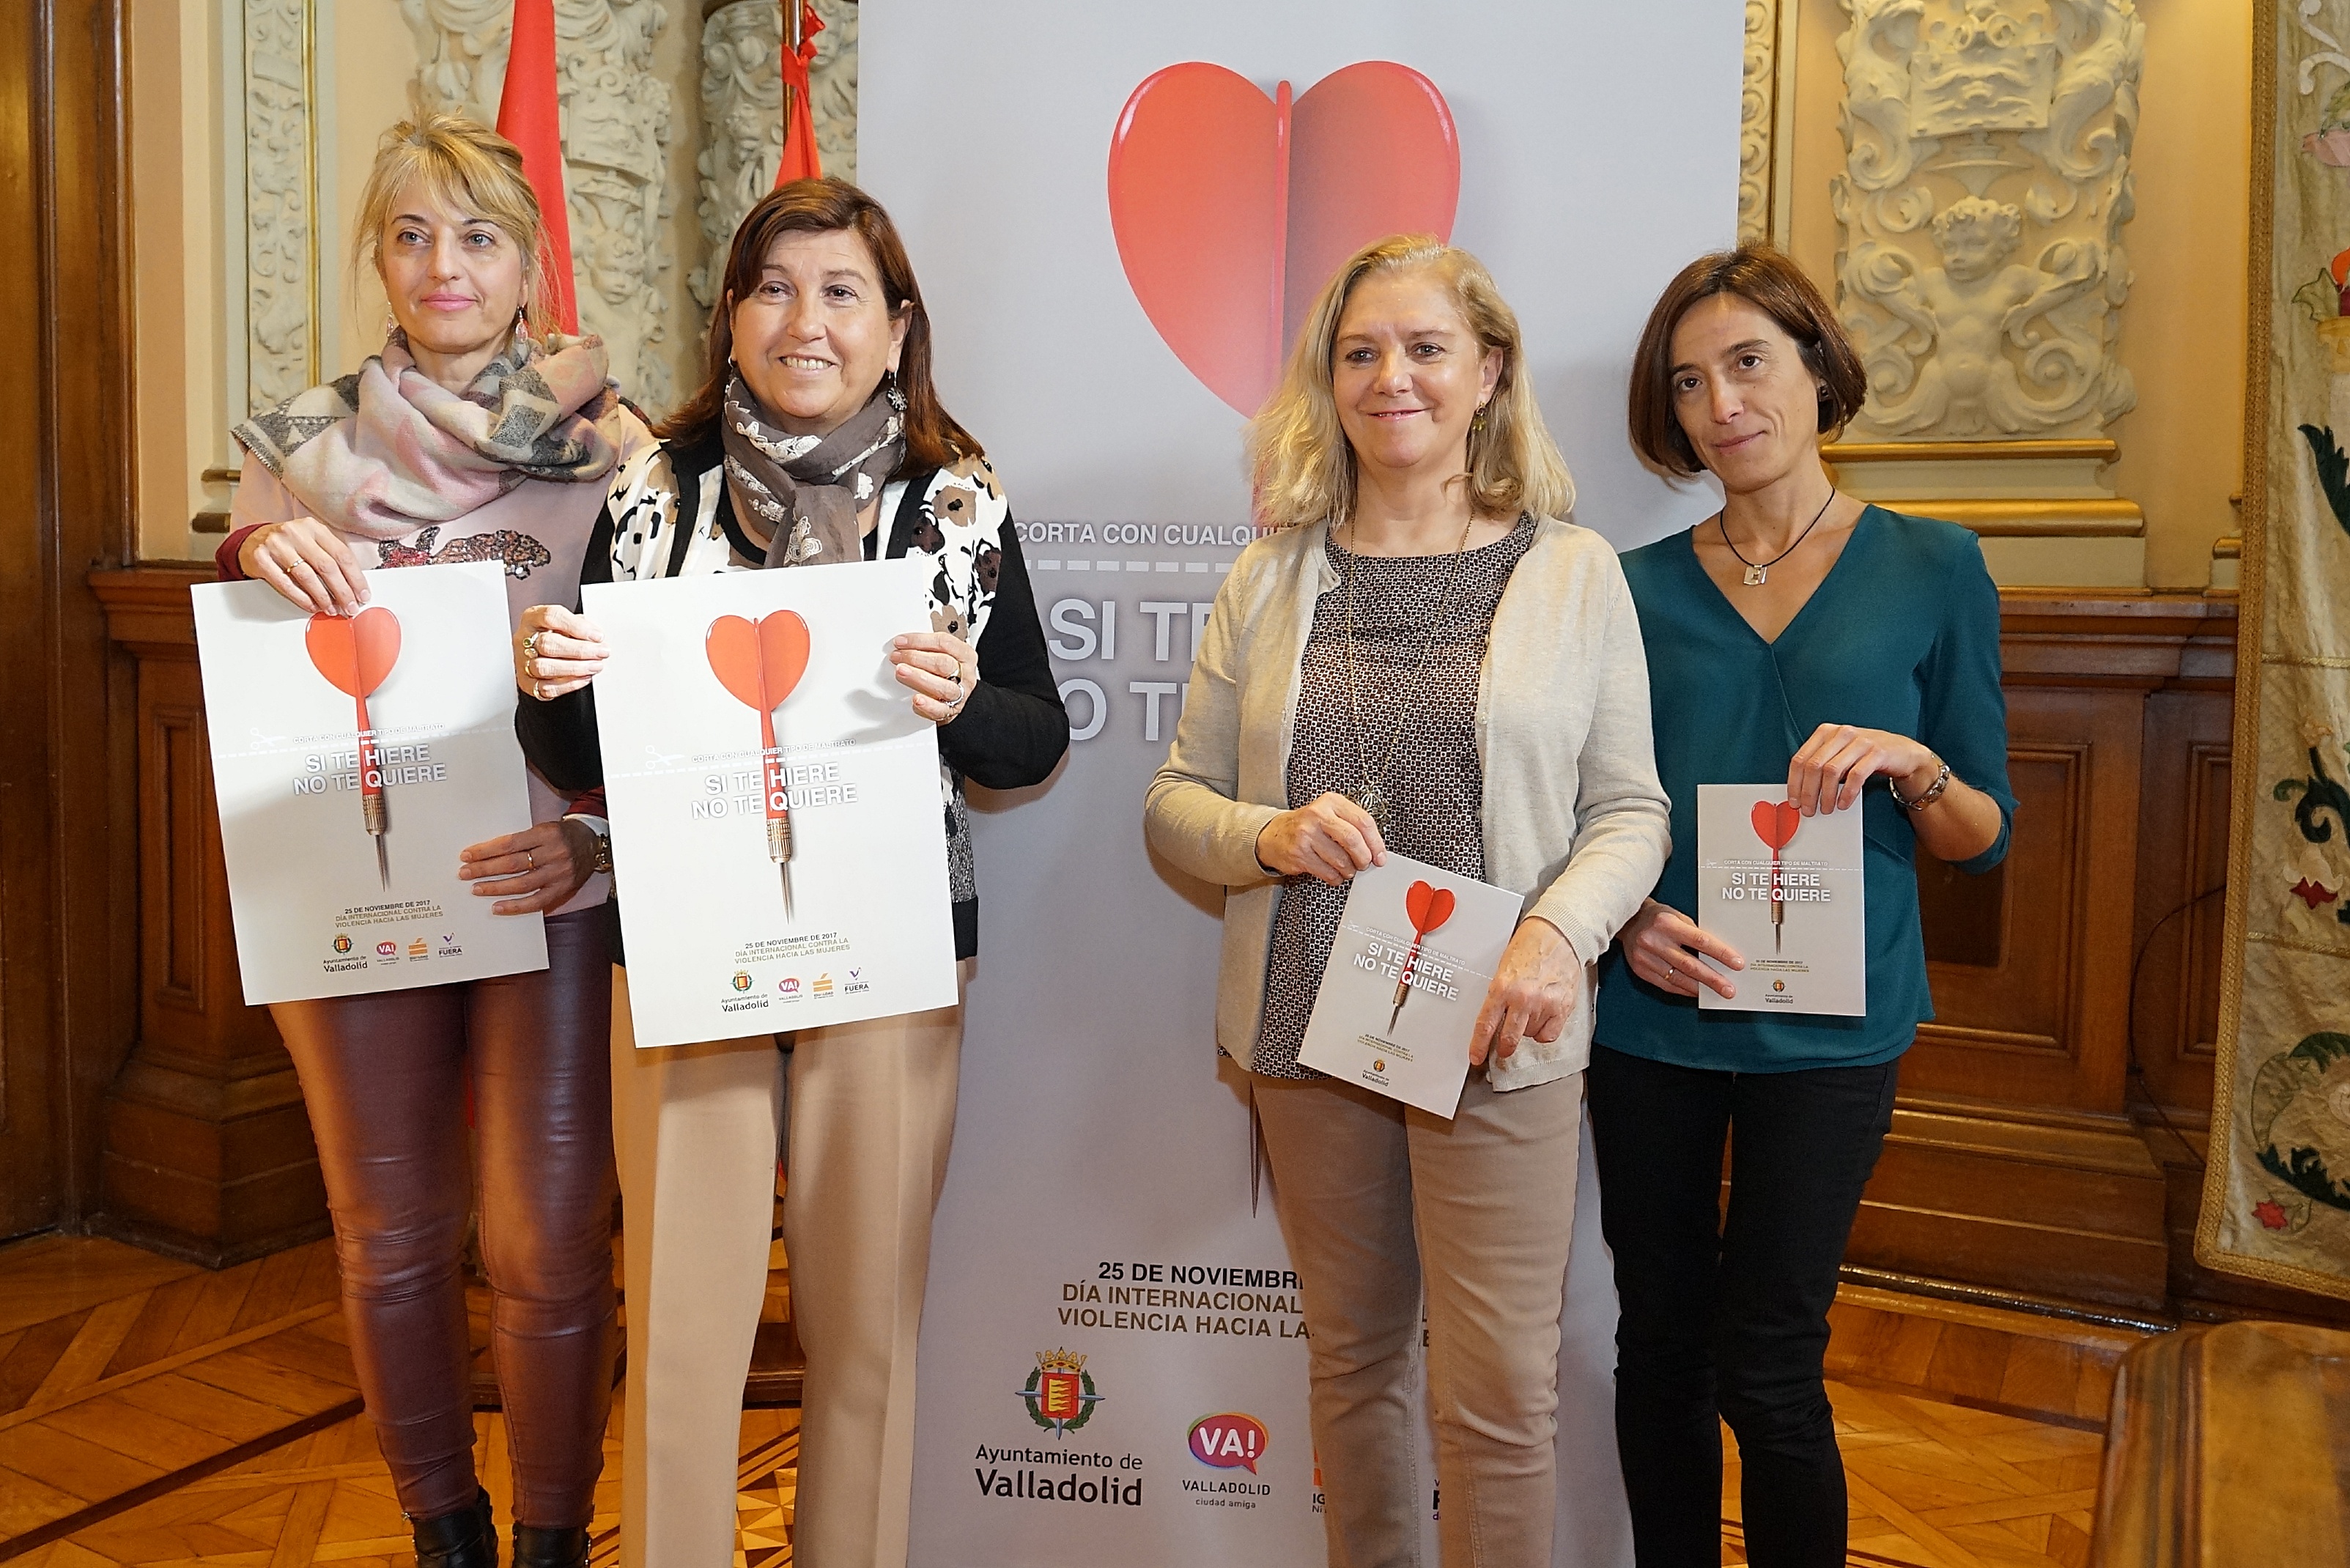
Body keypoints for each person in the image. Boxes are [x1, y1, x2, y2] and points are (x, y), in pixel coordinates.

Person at [508, 177, 1068, 1568]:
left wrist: (961, 704)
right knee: (683, 1323)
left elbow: (1032, 737)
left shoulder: (957, 501)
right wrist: (546, 687)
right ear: (732, 318)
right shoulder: (655, 489)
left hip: (891, 947)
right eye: (773, 287)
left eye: (840, 292)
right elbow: (584, 747)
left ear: (896, 329)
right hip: (688, 949)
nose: (803, 320)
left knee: (867, 1324)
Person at [1143, 234, 1670, 1567]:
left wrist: (1555, 934)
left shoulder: (1575, 571)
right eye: (1361, 352)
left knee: (1499, 1397)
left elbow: (1632, 812)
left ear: (1489, 371)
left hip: (1498, 1029)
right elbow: (1175, 804)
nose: (1393, 378)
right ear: (1329, 381)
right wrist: (1271, 835)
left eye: (1427, 348)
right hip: (1307, 1035)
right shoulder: (1268, 578)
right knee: (1355, 1366)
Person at [215, 115, 652, 1568]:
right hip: (356, 892)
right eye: (409, 234)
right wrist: (248, 549)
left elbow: (670, 688)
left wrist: (594, 845)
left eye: (476, 235)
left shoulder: (620, 451)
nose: (441, 264)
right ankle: (444, 1537)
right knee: (391, 1234)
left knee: (548, 1243)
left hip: (548, 893)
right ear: (378, 260)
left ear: (530, 264)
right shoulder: (296, 450)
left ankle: (552, 1541)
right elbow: (252, 648)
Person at [1597, 245, 2015, 1567]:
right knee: (1660, 1345)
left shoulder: (1935, 566)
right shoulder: (1625, 588)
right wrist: (1621, 921)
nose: (1722, 404)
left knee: (1771, 1360)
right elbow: (1580, 811)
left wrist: (1914, 764)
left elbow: (1984, 837)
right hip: (1654, 1018)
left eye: (1748, 363)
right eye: (1688, 382)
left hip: (1835, 1030)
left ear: (1819, 371)